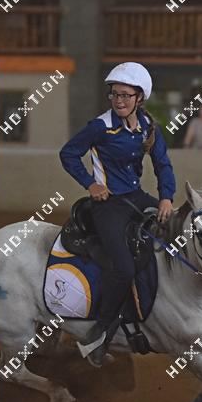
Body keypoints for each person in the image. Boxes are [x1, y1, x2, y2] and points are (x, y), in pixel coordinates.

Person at [58, 62, 176, 366]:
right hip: (108, 205)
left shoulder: (148, 126)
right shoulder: (100, 126)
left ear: (140, 98)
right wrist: (91, 184)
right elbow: (68, 154)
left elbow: (163, 164)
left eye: (125, 95)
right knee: (123, 267)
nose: (119, 100)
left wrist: (166, 198)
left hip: (136, 197)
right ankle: (98, 334)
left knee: (176, 232)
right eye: (114, 95)